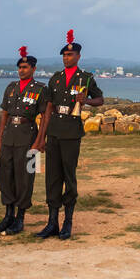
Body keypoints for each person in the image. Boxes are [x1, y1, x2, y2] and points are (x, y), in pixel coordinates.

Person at [37, 30, 103, 240]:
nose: (67, 58)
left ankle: (68, 222)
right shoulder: (55, 79)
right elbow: (48, 108)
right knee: (52, 177)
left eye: (70, 55)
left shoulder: (85, 78)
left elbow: (100, 99)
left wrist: (87, 101)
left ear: (78, 57)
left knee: (69, 176)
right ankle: (52, 223)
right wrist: (42, 136)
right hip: (54, 131)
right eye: (64, 55)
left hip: (72, 132)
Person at [0, 46, 48, 235]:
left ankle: (20, 218)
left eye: (25, 67)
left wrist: (40, 142)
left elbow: (45, 116)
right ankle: (8, 215)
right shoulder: (11, 87)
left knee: (26, 177)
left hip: (29, 137)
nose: (21, 70)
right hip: (9, 137)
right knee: (6, 176)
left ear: (33, 69)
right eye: (19, 67)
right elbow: (5, 115)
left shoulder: (41, 89)